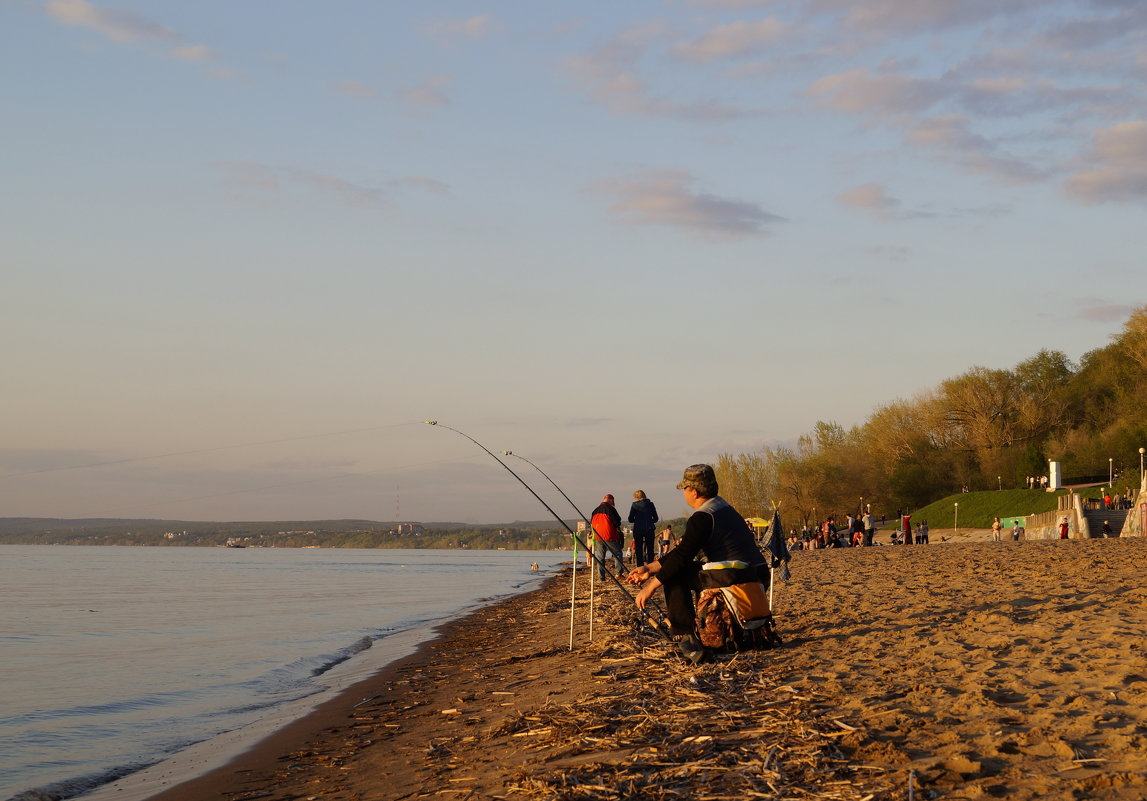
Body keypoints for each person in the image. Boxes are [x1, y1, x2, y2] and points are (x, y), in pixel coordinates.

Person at [625, 464, 769, 663]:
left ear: (693, 491)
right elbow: (684, 550)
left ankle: (685, 637)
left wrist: (650, 588)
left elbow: (682, 558)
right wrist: (649, 569)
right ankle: (690, 633)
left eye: (684, 489)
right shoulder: (723, 507)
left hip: (736, 579)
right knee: (676, 567)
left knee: (676, 574)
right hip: (757, 575)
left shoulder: (703, 517)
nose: (683, 493)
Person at [589, 494, 623, 580]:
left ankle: (601, 577)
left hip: (597, 535)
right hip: (609, 535)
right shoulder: (611, 509)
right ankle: (618, 573)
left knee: (600, 557)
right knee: (618, 553)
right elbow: (617, 522)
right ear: (611, 500)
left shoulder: (595, 510)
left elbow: (592, 523)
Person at [628, 490, 659, 567]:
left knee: (638, 549)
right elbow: (656, 518)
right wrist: (649, 521)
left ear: (636, 497)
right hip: (649, 528)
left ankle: (640, 566)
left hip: (638, 528)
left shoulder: (634, 505)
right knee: (650, 549)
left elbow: (630, 519)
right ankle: (650, 565)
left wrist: (637, 520)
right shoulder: (651, 504)